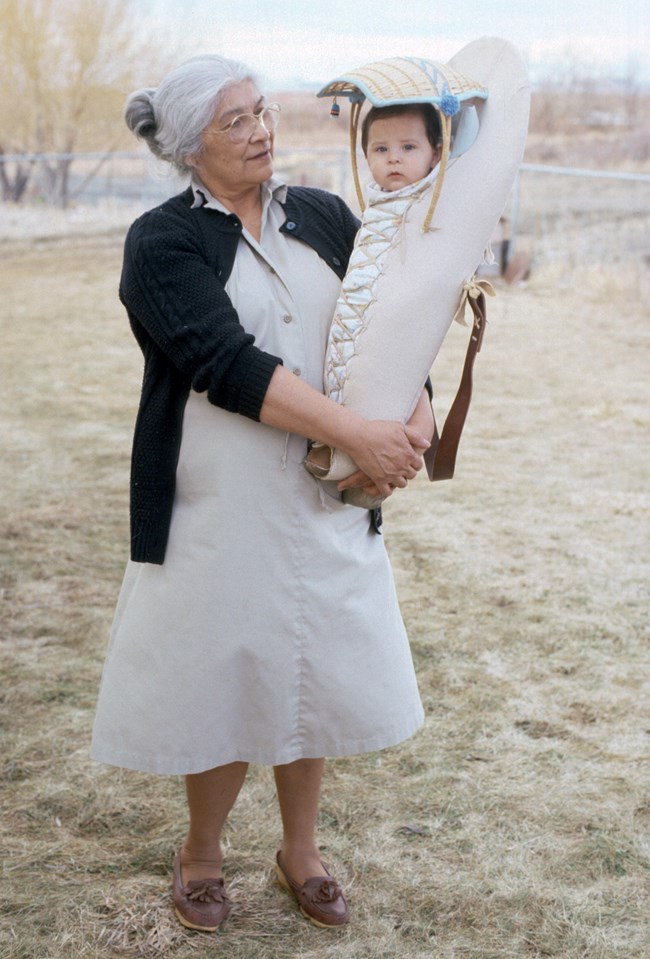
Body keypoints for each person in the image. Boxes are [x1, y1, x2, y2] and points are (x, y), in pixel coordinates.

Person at [90, 54, 435, 933]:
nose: (261, 131)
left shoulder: (322, 212)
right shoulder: (160, 242)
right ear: (187, 147)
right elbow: (224, 364)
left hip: (325, 495)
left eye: (262, 112)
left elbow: (392, 317)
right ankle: (202, 854)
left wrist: (416, 407)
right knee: (224, 672)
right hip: (218, 492)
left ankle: (301, 852)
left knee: (309, 666)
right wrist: (357, 432)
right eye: (234, 121)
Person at [305, 103, 443, 498]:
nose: (394, 157)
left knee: (383, 393)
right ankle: (347, 458)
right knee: (342, 381)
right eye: (380, 149)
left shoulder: (432, 206)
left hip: (394, 317)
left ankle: (369, 480)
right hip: (356, 311)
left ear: (436, 152)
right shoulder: (376, 204)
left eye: (408, 147)